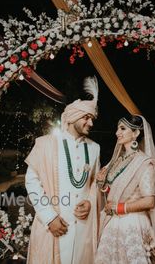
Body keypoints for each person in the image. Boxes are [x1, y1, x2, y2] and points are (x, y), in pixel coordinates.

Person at [25, 76, 101, 264]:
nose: (91, 123)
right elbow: (32, 182)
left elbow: (95, 184)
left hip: (83, 229)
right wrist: (50, 218)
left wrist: (90, 202)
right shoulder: (45, 144)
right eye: (86, 117)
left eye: (92, 119)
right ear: (72, 117)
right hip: (53, 227)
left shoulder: (94, 148)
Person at [95, 115, 155, 264]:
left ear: (135, 133)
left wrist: (119, 208)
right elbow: (115, 189)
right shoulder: (117, 161)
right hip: (112, 224)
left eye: (123, 128)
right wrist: (102, 183)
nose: (117, 132)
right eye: (117, 128)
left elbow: (149, 200)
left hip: (132, 224)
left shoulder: (144, 163)